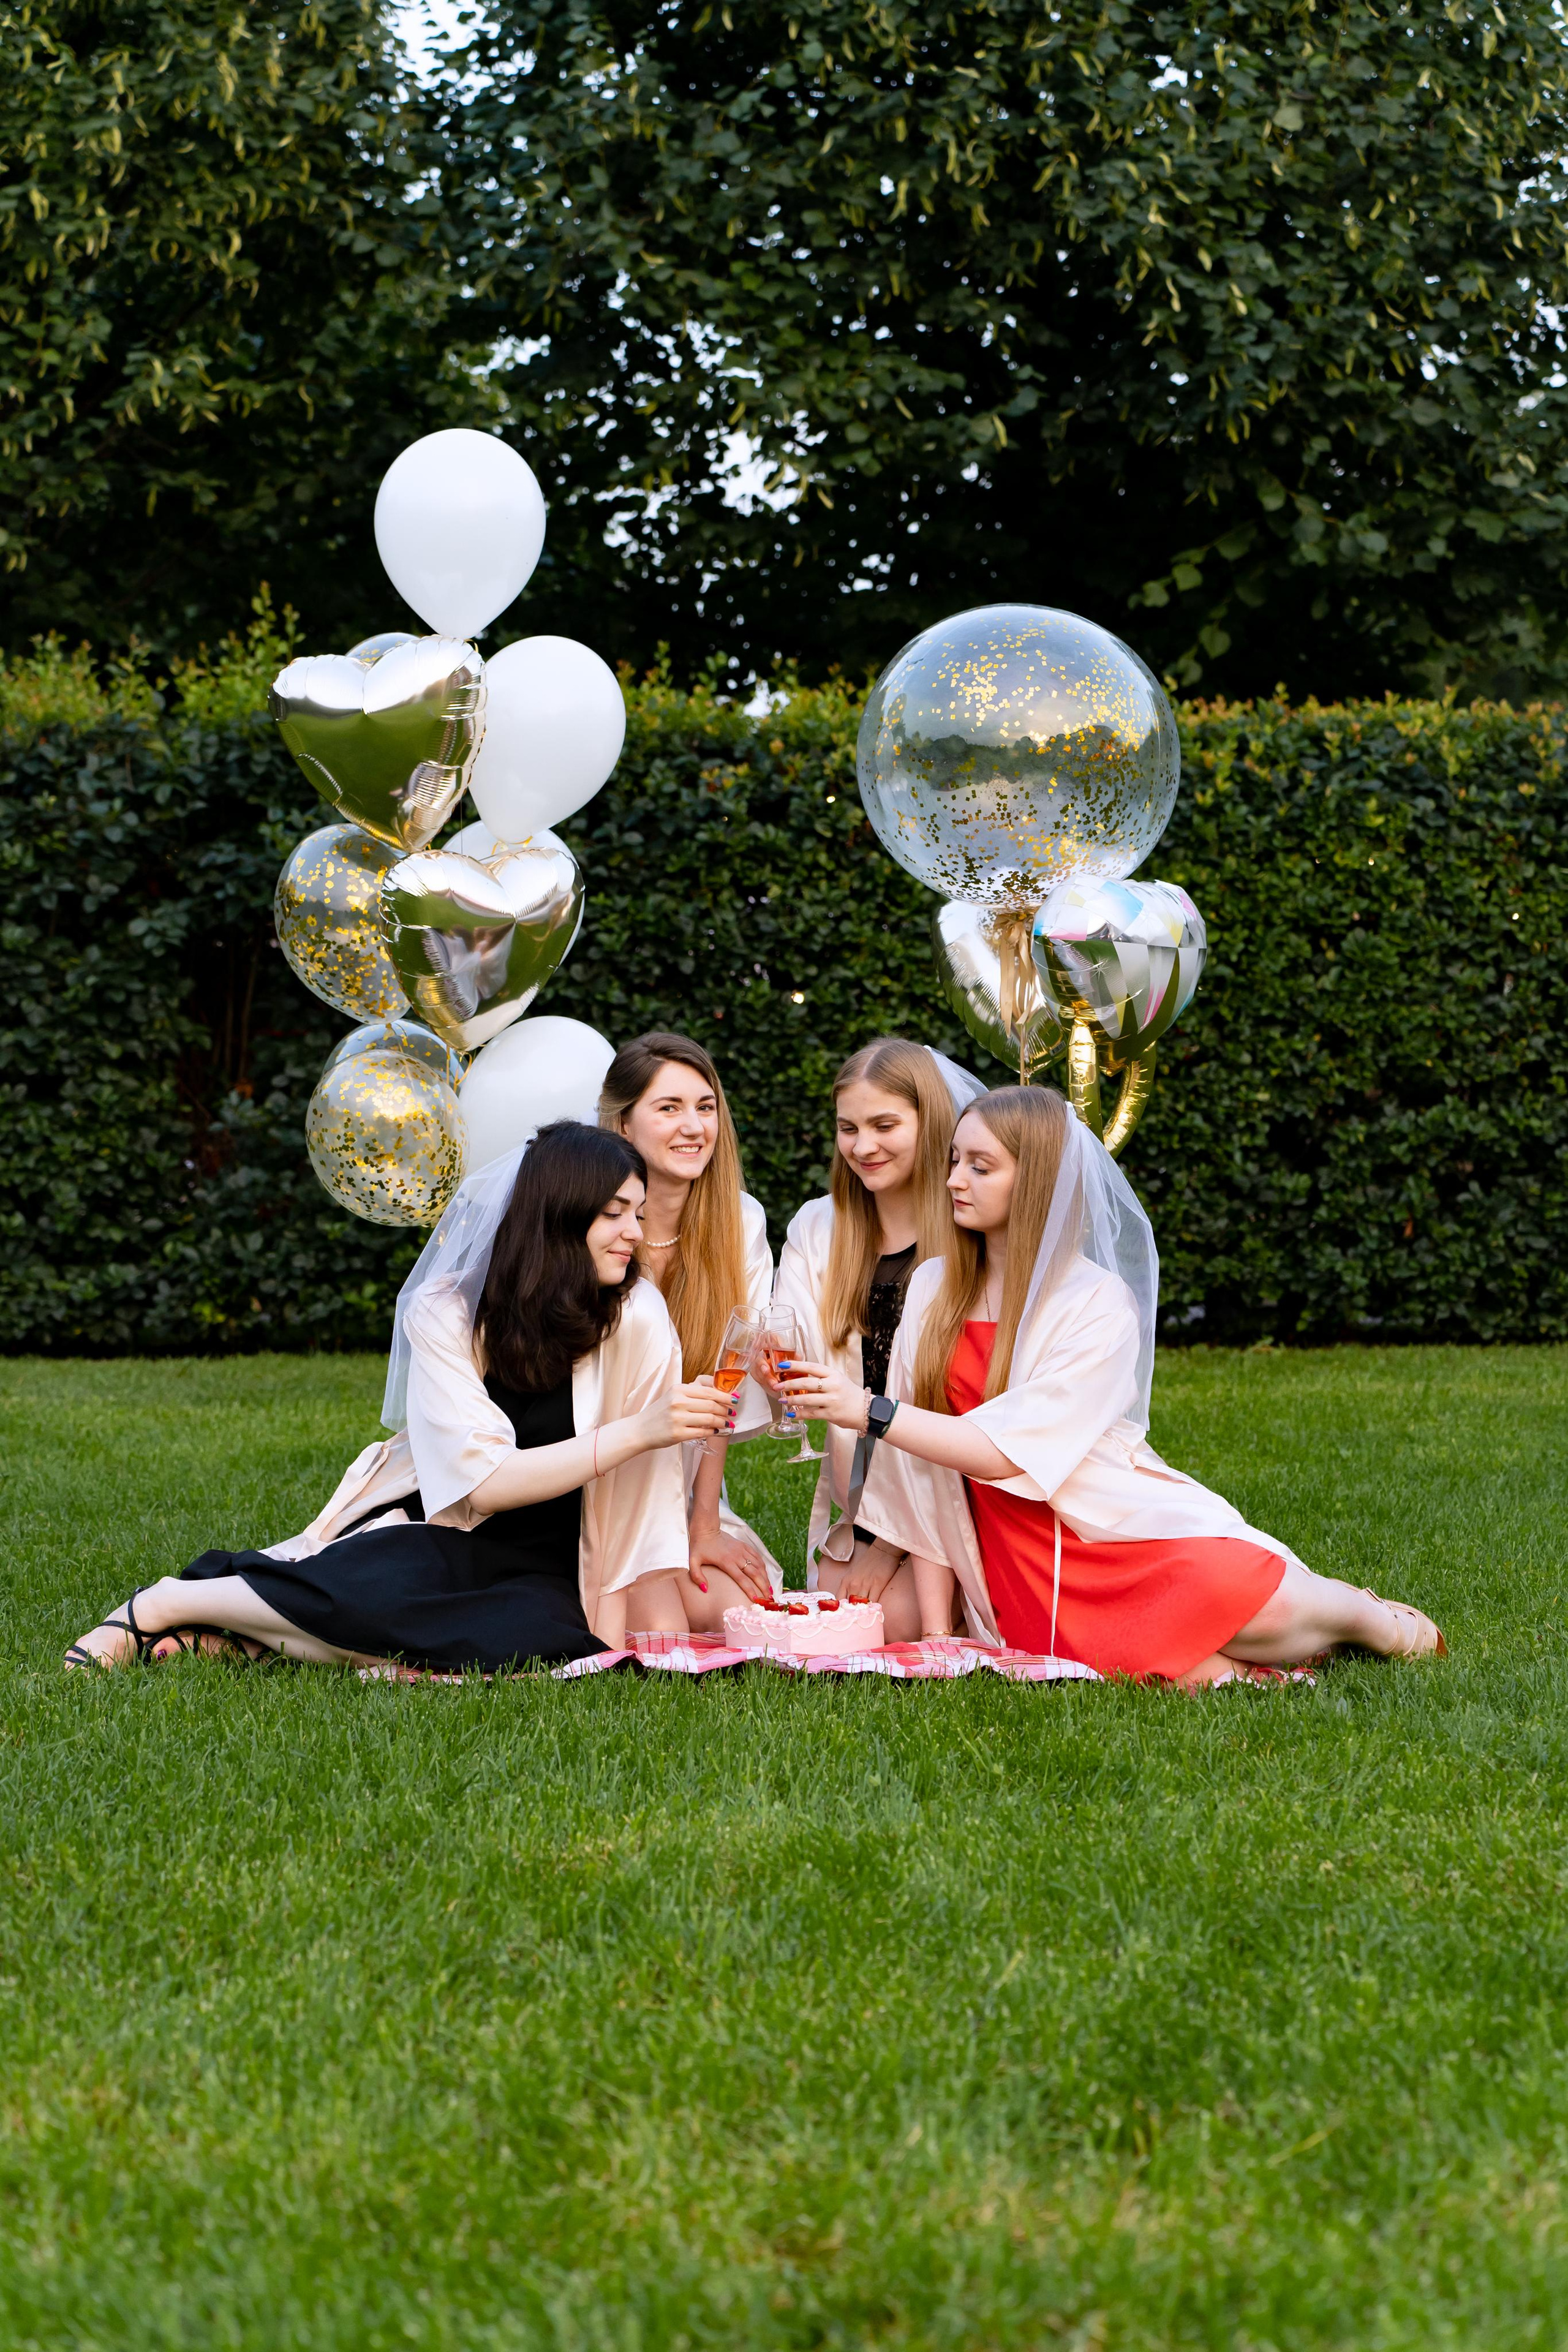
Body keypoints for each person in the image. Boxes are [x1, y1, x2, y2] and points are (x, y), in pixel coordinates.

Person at [779, 1086, 1446, 1684]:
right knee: (1159, 1665)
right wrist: (935, 1633)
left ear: (1036, 1181)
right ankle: (1252, 1658)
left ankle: (1365, 1617)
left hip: (1105, 1528)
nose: (953, 1179)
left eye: (980, 1167)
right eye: (955, 1160)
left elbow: (1007, 1452)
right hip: (1008, 1550)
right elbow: (922, 1476)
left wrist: (868, 1409)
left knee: (1253, 1608)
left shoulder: (1097, 1303)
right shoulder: (932, 1287)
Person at [64, 1124, 732, 1675]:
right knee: (380, 1589)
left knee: (534, 1640)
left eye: (637, 1213)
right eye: (614, 1213)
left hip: (561, 1554)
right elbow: (485, 1486)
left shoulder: (637, 1312)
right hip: (449, 1526)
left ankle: (251, 1642)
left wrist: (647, 1614)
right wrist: (641, 1429)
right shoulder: (447, 1312)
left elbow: (643, 1501)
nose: (634, 1232)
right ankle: (165, 1604)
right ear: (558, 1214)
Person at [773, 1036, 983, 1630]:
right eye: (848, 1129)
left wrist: (892, 1548)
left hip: (959, 1488)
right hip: (864, 1492)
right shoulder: (819, 1226)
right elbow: (793, 1353)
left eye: (884, 1126)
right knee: (840, 1614)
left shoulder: (971, 1231)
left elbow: (967, 1410)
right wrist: (773, 1371)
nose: (863, 1147)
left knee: (892, 1624)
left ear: (930, 1122)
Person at [598, 1031, 781, 1632]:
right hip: (594, 1471)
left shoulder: (740, 1220)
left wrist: (703, 1525)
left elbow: (725, 1381)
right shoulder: (590, 1220)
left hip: (679, 1478)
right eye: (669, 1108)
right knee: (662, 1631)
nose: (694, 1127)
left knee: (741, 1615)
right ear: (623, 1125)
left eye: (705, 1107)